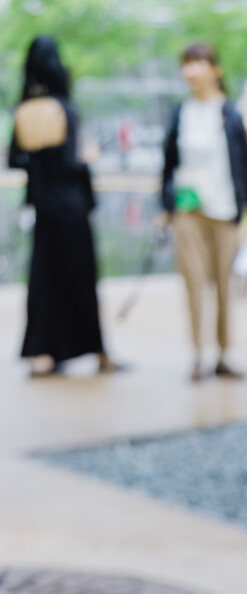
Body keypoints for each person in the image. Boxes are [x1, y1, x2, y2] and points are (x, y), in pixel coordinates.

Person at [9, 36, 121, 377]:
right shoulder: (64, 109)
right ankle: (99, 351)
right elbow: (72, 163)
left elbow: (16, 159)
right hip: (71, 208)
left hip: (43, 207)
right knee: (81, 277)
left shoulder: (25, 109)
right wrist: (88, 156)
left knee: (44, 279)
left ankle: (42, 353)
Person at [162, 42, 247, 382]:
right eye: (186, 64)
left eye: (197, 63)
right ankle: (197, 355)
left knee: (224, 283)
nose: (190, 71)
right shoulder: (180, 113)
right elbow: (168, 165)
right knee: (193, 282)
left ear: (215, 70)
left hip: (225, 209)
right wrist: (166, 206)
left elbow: (245, 165)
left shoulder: (230, 114)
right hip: (189, 210)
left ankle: (224, 353)